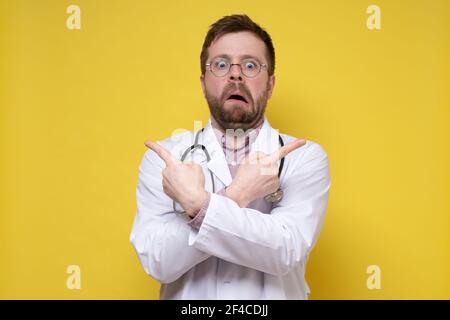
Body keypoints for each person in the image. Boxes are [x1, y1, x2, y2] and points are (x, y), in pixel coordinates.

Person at [130, 14, 330, 299]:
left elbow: (286, 250)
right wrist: (236, 194)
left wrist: (197, 206)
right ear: (203, 83)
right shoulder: (166, 158)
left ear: (270, 84)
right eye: (221, 64)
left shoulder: (304, 157)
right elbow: (158, 261)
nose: (235, 74)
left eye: (250, 65)